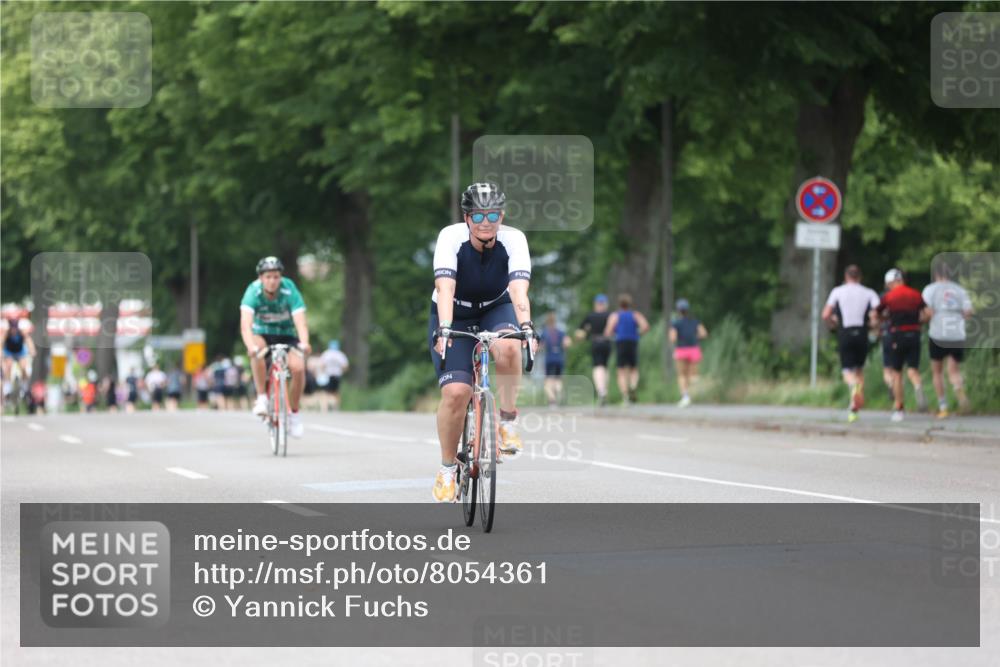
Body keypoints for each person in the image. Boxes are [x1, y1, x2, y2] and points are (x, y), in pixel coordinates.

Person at [429, 182, 537, 503]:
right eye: (479, 216)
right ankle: (448, 469)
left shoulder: (514, 239)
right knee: (456, 392)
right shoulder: (451, 237)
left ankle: (507, 419)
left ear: (502, 215)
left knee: (508, 345)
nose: (486, 221)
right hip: (454, 313)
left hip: (496, 307)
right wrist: (446, 328)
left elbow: (518, 290)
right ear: (467, 218)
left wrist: (527, 327)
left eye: (493, 214)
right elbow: (445, 288)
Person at [240, 256, 312, 437]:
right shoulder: (252, 291)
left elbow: (301, 322)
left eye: (276, 277)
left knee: (298, 368)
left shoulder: (289, 289)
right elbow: (245, 325)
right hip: (262, 334)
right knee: (256, 352)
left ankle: (294, 414)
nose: (272, 281)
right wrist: (250, 346)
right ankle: (262, 397)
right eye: (268, 277)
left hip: (287, 334)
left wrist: (304, 343)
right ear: (261, 278)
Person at [821, 265, 880, 422]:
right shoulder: (869, 292)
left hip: (845, 332)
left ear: (846, 276)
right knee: (859, 369)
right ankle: (854, 406)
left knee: (847, 370)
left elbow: (825, 314)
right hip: (861, 333)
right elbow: (877, 312)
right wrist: (874, 324)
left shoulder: (838, 291)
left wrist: (832, 323)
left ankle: (853, 388)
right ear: (859, 277)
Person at [922, 260, 974, 417]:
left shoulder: (930, 290)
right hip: (957, 334)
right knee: (953, 370)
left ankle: (943, 406)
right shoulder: (960, 290)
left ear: (936, 274)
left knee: (937, 372)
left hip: (938, 334)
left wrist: (924, 320)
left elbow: (928, 312)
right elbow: (968, 312)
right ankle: (959, 389)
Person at [877, 268, 928, 422]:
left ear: (893, 282)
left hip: (896, 335)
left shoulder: (889, 297)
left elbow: (877, 313)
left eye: (889, 284)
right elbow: (928, 313)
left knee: (897, 373)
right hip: (914, 334)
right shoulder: (916, 294)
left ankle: (899, 408)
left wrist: (884, 319)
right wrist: (919, 323)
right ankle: (918, 386)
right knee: (913, 370)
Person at [603, 293, 650, 404]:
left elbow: (607, 331)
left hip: (620, 342)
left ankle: (625, 396)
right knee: (634, 368)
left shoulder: (615, 316)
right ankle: (633, 386)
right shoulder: (635, 315)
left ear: (619, 304)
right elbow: (646, 326)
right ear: (630, 304)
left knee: (621, 371)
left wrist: (614, 334)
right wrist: (638, 333)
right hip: (633, 342)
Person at [669, 298, 709, 408]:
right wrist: (694, 336)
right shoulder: (695, 321)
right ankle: (695, 393)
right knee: (692, 375)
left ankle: (685, 397)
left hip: (681, 350)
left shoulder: (675, 322)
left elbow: (672, 338)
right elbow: (704, 334)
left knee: (682, 375)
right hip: (694, 350)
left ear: (678, 310)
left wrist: (678, 337)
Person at [575, 294, 612, 405]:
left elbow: (579, 332)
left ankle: (601, 391)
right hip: (607, 342)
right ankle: (605, 390)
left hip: (595, 343)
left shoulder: (590, 316)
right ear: (605, 304)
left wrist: (584, 335)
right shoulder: (610, 315)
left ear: (596, 304)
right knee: (605, 367)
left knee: (597, 367)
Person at [2, 317, 35, 408]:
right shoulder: (6, 334)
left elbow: (29, 341)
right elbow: (1, 343)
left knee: (24, 366)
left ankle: (25, 387)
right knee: (8, 366)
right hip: (9, 352)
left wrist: (32, 350)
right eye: (12, 328)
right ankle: (8, 388)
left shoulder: (21, 332)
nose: (14, 330)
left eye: (15, 328)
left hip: (20, 352)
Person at [540, 313, 571, 408]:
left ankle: (552, 400)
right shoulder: (561, 332)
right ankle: (559, 394)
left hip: (549, 359)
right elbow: (567, 343)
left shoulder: (545, 333)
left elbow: (540, 346)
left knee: (548, 380)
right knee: (558, 379)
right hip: (559, 358)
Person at [320, 340, 349, 411]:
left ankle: (325, 407)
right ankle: (336, 407)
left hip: (328, 374)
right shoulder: (340, 354)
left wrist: (323, 372)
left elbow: (322, 365)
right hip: (337, 375)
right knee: (336, 392)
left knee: (326, 392)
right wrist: (341, 372)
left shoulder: (326, 353)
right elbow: (345, 366)